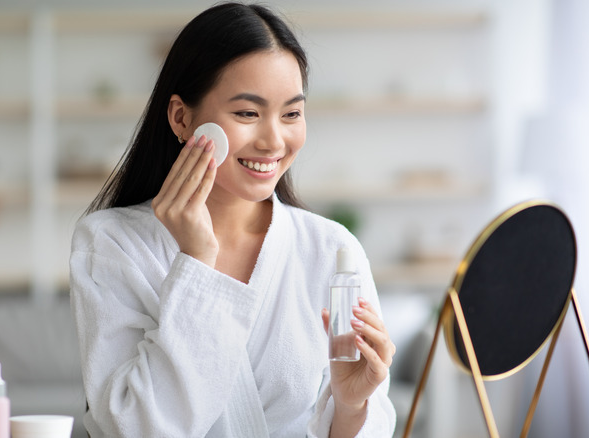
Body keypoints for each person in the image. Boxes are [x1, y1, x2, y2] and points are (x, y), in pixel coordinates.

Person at [70, 3, 396, 437]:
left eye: (292, 113)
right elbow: (133, 429)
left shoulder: (332, 250)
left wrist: (352, 407)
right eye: (247, 113)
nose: (274, 140)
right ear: (181, 118)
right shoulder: (111, 244)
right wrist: (197, 263)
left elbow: (366, 423)